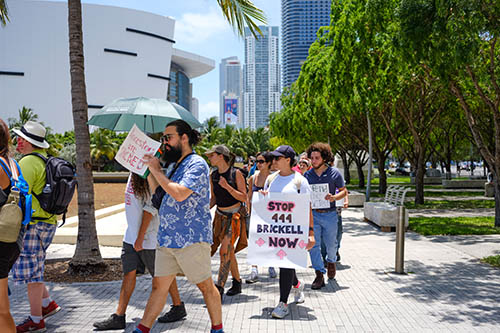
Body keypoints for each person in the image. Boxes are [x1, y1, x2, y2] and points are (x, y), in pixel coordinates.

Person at [134, 120, 223, 333]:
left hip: (190, 238)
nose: (164, 142)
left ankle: (217, 329)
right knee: (158, 288)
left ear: (184, 138)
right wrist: (151, 172)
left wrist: (158, 172)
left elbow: (180, 193)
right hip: (167, 239)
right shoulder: (174, 166)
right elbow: (159, 197)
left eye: (168, 137)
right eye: (163, 138)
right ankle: (142, 329)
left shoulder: (197, 164)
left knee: (205, 287)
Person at [11, 121, 61, 332]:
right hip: (47, 222)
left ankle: (36, 319)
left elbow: (19, 195)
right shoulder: (42, 160)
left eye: (21, 139)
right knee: (37, 267)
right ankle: (46, 304)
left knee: (33, 274)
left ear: (29, 142)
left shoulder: (27, 163)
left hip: (34, 224)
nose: (18, 142)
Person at [262, 145, 315, 319]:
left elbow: (307, 207)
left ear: (288, 160)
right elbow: (266, 206)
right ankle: (297, 285)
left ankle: (283, 303)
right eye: (273, 158)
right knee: (283, 263)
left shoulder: (300, 182)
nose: (274, 161)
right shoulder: (270, 180)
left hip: (293, 232)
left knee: (286, 263)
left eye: (278, 158)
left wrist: (311, 232)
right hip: (275, 230)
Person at [206, 145, 248, 299]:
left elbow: (244, 197)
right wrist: (204, 210)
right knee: (228, 251)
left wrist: (227, 187)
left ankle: (219, 289)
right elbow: (214, 198)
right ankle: (237, 282)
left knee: (224, 251)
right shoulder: (213, 175)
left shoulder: (236, 173)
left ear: (221, 156)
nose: (209, 158)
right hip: (219, 217)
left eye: (212, 155)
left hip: (234, 217)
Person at [304, 142, 347, 290]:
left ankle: (331, 261)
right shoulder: (307, 175)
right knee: (313, 245)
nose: (313, 160)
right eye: (312, 158)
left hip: (330, 215)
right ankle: (319, 274)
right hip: (313, 214)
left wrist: (334, 197)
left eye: (316, 158)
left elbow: (343, 190)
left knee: (331, 243)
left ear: (324, 158)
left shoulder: (334, 173)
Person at [0, 118, 24, 332]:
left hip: (1, 243)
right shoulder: (11, 162)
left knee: (1, 309)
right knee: (2, 309)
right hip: (12, 240)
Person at [245, 151, 277, 283]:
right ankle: (254, 269)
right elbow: (249, 195)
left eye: (261, 161)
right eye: (257, 161)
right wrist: (248, 209)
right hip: (255, 214)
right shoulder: (253, 177)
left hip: (271, 215)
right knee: (254, 241)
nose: (258, 164)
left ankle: (271, 265)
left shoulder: (275, 178)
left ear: (269, 163)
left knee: (271, 240)